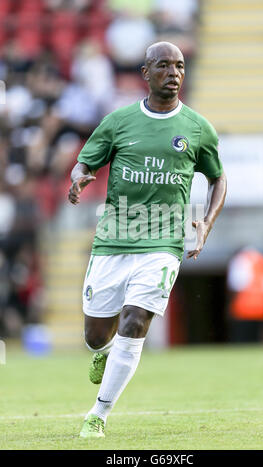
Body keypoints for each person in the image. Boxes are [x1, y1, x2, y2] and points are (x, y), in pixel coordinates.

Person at [68, 41, 227, 438]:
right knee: (94, 336)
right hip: (114, 239)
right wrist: (78, 178)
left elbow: (218, 177)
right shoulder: (119, 121)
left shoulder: (197, 128)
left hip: (163, 242)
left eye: (180, 66)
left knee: (136, 321)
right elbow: (85, 161)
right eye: (163, 66)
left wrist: (205, 221)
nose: (173, 73)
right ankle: (102, 355)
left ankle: (98, 415)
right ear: (145, 73)